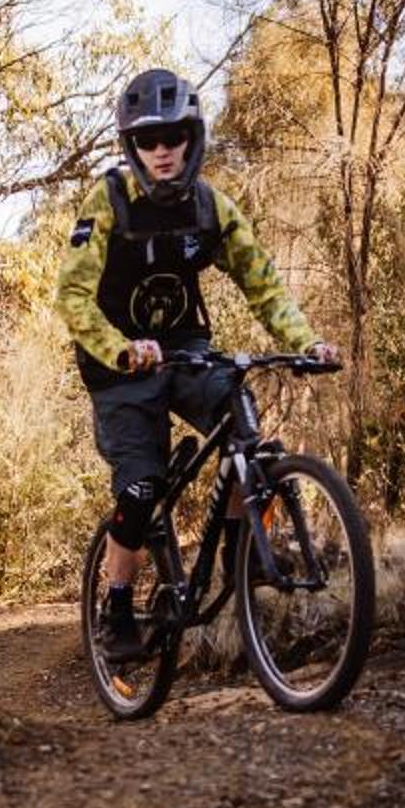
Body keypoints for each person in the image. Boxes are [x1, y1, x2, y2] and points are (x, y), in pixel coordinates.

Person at [54, 67, 339, 661]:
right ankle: (116, 607)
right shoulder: (108, 201)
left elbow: (263, 286)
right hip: (118, 368)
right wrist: (121, 348)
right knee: (141, 487)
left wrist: (307, 341)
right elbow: (73, 297)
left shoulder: (211, 207)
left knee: (245, 427)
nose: (161, 151)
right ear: (132, 146)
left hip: (185, 350)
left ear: (193, 138)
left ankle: (240, 556)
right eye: (147, 141)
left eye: (173, 137)